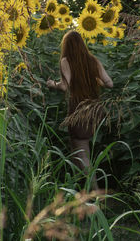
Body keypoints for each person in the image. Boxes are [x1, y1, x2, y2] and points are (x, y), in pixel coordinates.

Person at [47, 30, 113, 189]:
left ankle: (95, 192)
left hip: (78, 109)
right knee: (76, 151)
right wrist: (98, 81)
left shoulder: (66, 60)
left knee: (82, 152)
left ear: (67, 46)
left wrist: (52, 84)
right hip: (94, 109)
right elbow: (110, 83)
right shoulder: (93, 61)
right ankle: (81, 188)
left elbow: (64, 86)